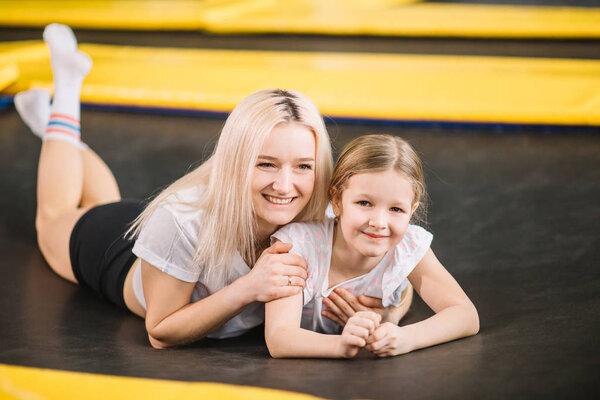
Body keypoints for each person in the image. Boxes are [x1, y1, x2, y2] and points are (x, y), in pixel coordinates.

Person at [16, 23, 336, 348]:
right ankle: (66, 89)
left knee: (103, 199)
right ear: (235, 161)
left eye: (303, 167)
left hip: (161, 240)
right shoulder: (182, 221)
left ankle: (52, 122)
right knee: (54, 218)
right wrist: (248, 287)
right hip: (113, 252)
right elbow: (160, 332)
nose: (284, 186)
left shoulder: (324, 220)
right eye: (265, 163)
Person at [265, 134, 480, 358]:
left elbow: (466, 314)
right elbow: (279, 336)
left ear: (412, 211)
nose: (378, 223)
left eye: (396, 209)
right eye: (364, 203)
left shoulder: (408, 246)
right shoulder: (298, 245)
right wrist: (340, 345)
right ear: (337, 201)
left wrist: (407, 337)